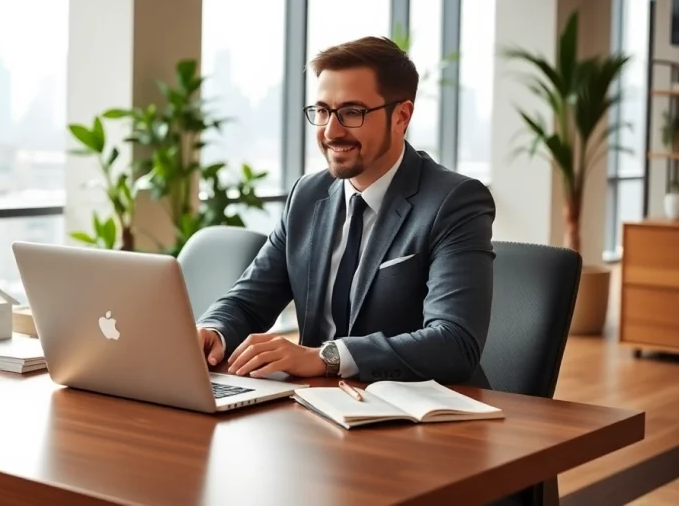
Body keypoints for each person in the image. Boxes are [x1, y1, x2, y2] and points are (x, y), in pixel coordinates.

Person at [195, 36, 495, 387]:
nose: (331, 131)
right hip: (316, 409)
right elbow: (248, 302)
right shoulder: (307, 195)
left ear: (402, 116)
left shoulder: (454, 202)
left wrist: (326, 358)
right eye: (322, 111)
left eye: (352, 112)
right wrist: (213, 330)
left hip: (420, 418)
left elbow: (453, 343)